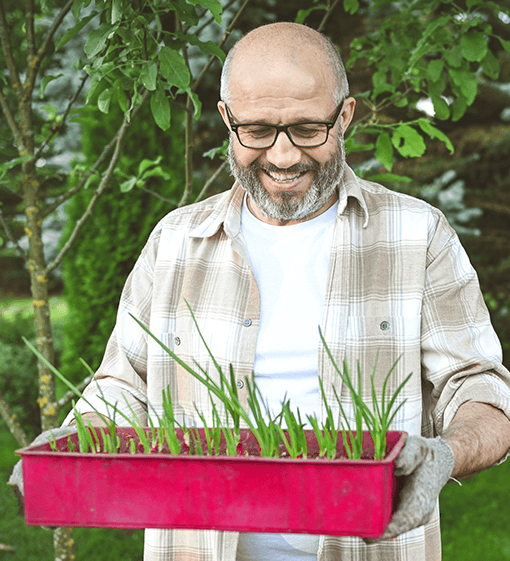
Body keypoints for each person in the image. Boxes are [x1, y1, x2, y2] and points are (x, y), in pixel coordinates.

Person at [37, 22, 510, 561]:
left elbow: (479, 387)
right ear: (226, 120)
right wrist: (71, 447)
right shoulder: (175, 242)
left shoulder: (417, 235)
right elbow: (124, 386)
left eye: (308, 130)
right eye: (258, 131)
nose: (283, 157)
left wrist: (445, 455)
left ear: (346, 117)